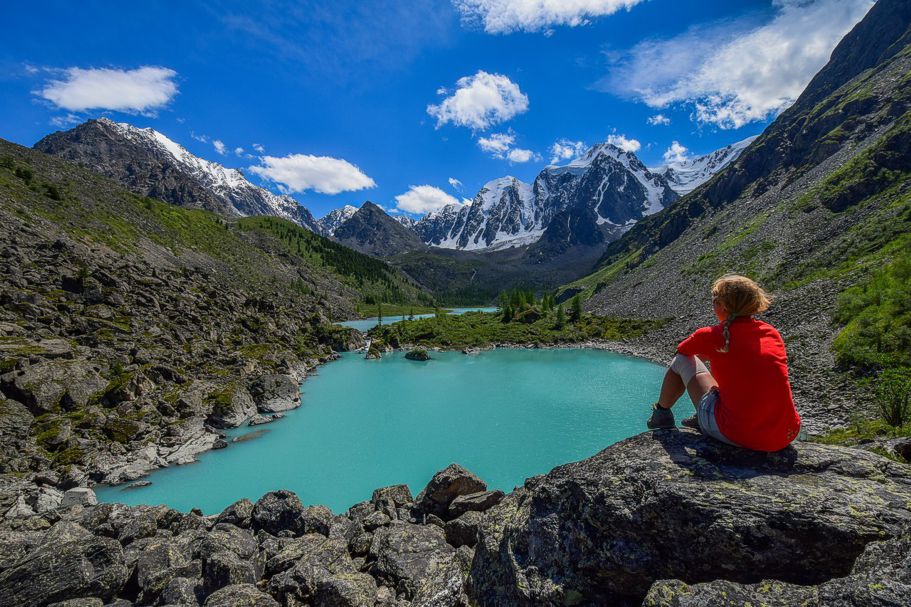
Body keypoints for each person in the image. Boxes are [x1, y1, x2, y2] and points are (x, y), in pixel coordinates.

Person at [646, 274, 801, 452]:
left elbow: (683, 351)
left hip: (738, 435)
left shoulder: (711, 335)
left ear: (722, 306)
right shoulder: (771, 333)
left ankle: (661, 414)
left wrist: (709, 353)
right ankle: (705, 416)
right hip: (784, 435)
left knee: (681, 361)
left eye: (714, 300)